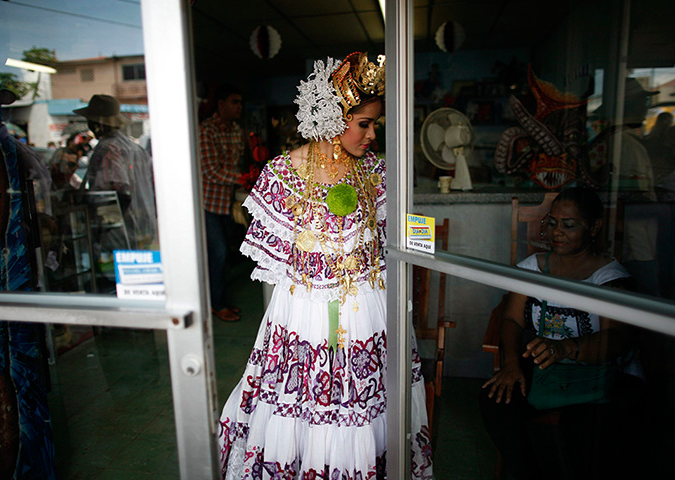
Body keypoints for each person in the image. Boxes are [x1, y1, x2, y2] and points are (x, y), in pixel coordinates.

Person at [218, 52, 433, 480]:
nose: (373, 134)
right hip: (307, 312)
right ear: (335, 118)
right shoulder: (283, 174)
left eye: (376, 124)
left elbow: (408, 239)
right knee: (305, 407)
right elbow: (277, 270)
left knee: (369, 410)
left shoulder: (379, 172)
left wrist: (417, 243)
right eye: (364, 124)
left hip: (370, 308)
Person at [479, 186, 642, 480]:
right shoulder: (533, 267)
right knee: (495, 400)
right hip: (545, 371)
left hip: (596, 376)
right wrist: (513, 363)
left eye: (569, 225)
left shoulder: (610, 278)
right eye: (552, 223)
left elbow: (615, 340)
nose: (557, 232)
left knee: (585, 432)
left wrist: (564, 349)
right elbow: (512, 318)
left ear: (593, 227)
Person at [73, 94, 157, 250]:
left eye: (91, 121)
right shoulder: (135, 148)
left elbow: (120, 191)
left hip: (121, 232)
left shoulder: (108, 148)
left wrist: (106, 225)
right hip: (144, 227)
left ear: (98, 124)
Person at [199, 83, 246, 322]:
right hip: (207, 204)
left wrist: (244, 180)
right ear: (221, 104)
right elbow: (210, 171)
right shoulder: (206, 131)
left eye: (240, 102)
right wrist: (240, 178)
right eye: (234, 102)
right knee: (217, 254)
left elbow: (235, 166)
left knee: (225, 254)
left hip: (228, 203)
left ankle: (218, 300)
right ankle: (216, 305)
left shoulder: (237, 131)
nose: (239, 107)